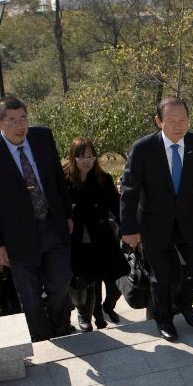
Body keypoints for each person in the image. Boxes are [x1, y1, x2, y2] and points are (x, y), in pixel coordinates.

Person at [0, 96, 74, 342]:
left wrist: (67, 214)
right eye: (12, 121)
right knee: (29, 295)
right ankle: (40, 337)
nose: (20, 126)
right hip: (16, 237)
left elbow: (58, 180)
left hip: (51, 225)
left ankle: (61, 329)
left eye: (23, 119)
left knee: (60, 282)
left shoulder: (42, 137)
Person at [119, 96, 193, 341]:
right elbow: (129, 189)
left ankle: (183, 304)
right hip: (153, 224)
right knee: (161, 277)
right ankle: (164, 318)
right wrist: (128, 228)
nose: (178, 125)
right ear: (159, 121)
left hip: (187, 221)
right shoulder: (143, 149)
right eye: (171, 120)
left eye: (182, 120)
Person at [63, 137, 129, 331]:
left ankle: (106, 307)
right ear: (73, 157)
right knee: (89, 282)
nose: (87, 161)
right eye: (82, 157)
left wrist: (127, 229)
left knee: (117, 280)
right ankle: (91, 316)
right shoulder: (63, 180)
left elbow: (117, 207)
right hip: (77, 241)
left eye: (91, 156)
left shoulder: (103, 179)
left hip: (102, 238)